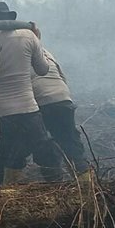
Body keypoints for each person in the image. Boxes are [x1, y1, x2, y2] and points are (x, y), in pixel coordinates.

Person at [0, 2, 61, 184]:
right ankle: (60, 193)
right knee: (47, 155)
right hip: (28, 110)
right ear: (9, 17)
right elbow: (42, 69)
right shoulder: (28, 35)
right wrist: (37, 41)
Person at [32, 47, 88, 175]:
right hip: (63, 99)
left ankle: (54, 181)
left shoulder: (20, 55)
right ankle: (85, 182)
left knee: (43, 144)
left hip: (40, 102)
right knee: (70, 140)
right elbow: (62, 77)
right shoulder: (45, 52)